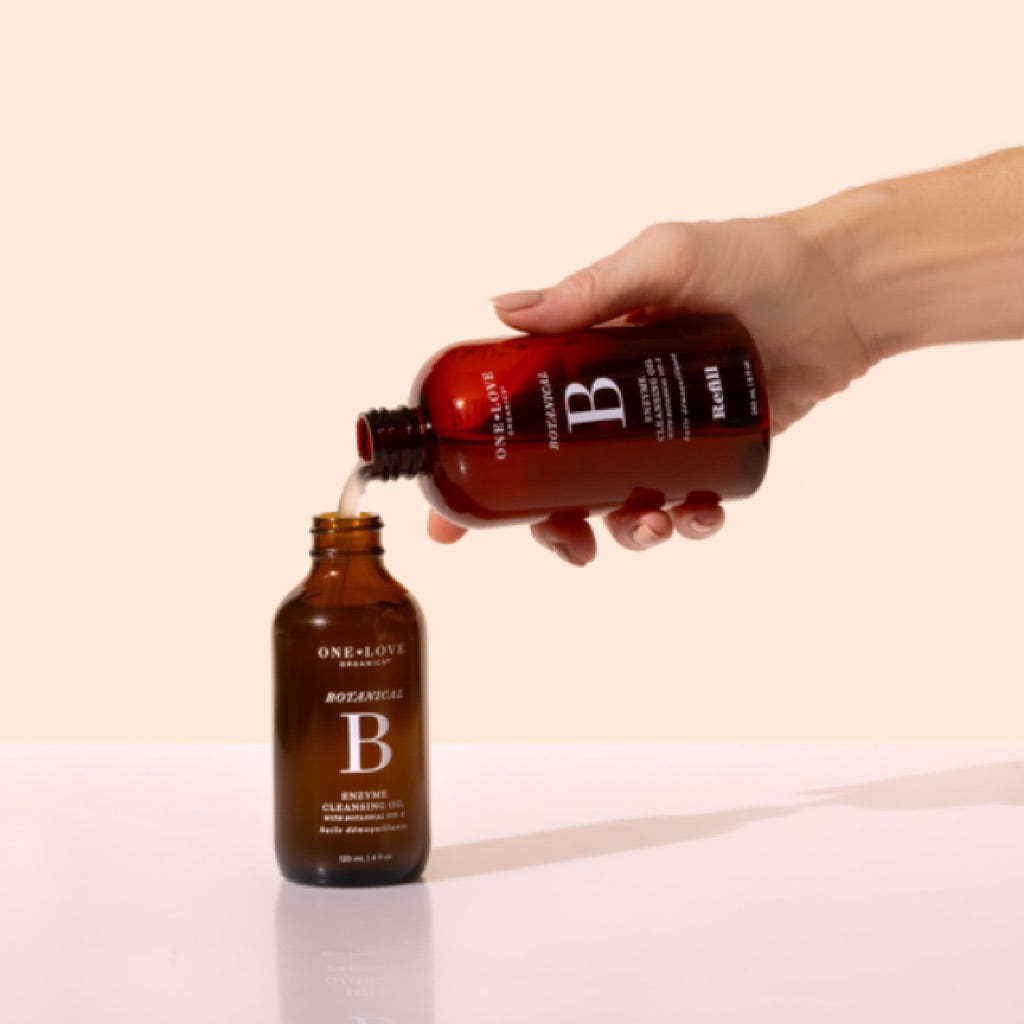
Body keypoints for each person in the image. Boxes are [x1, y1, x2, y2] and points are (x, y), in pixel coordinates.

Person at [428, 148, 1024, 565]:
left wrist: (833, 279)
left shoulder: (447, 391)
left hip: (713, 370)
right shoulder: (458, 479)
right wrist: (839, 290)